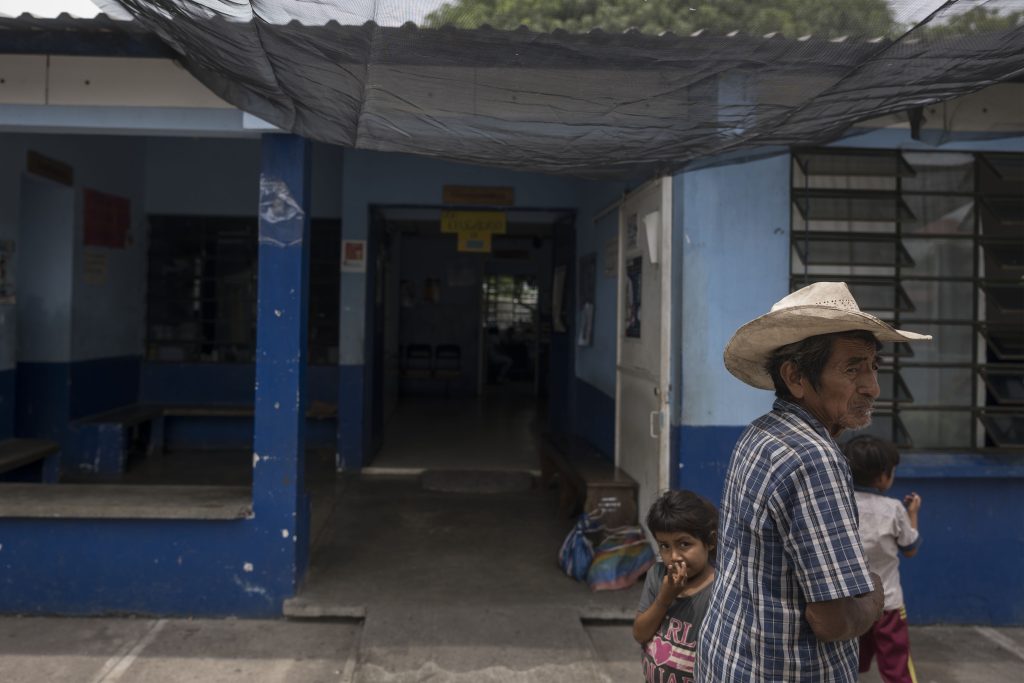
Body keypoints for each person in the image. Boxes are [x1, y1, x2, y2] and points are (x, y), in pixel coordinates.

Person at [698, 281, 932, 682]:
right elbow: (832, 619)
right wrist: (875, 595)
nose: (872, 387)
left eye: (873, 366)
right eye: (852, 367)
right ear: (796, 377)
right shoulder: (815, 459)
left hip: (730, 657)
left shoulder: (761, 432)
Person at [843, 435, 922, 683]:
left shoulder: (841, 505)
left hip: (850, 604)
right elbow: (910, 548)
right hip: (887, 605)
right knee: (897, 666)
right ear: (882, 476)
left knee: (848, 665)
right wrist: (913, 514)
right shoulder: (893, 509)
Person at [634, 490, 718, 683]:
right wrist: (665, 597)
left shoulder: (718, 590)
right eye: (664, 546)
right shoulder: (657, 575)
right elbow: (640, 633)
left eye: (684, 544)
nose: (674, 557)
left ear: (710, 542)